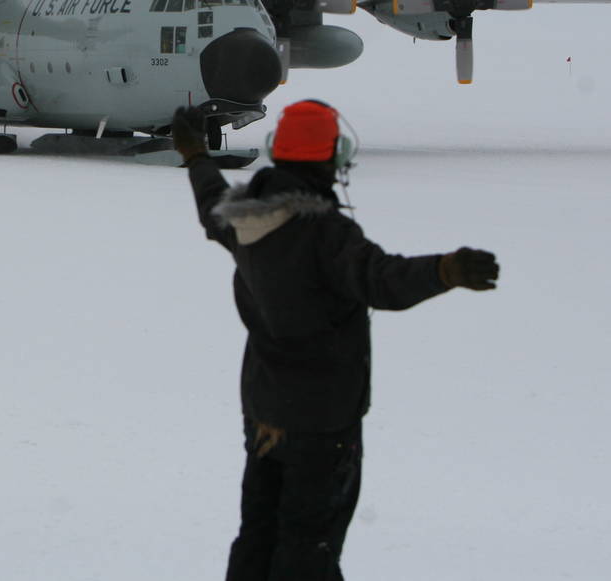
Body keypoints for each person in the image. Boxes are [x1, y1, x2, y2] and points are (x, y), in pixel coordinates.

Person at [170, 99, 499, 581]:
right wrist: (444, 270)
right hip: (322, 424)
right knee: (309, 545)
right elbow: (381, 280)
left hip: (264, 412)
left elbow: (209, 203)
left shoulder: (243, 219)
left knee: (258, 533)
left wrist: (197, 156)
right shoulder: (326, 234)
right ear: (331, 158)